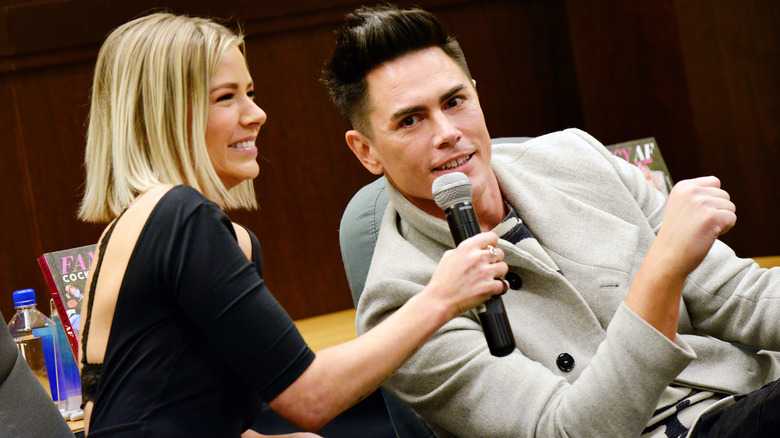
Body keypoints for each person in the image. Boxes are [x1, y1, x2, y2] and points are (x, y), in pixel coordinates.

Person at [322, 5, 780, 438]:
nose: (446, 132)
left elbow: (742, 299)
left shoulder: (576, 157)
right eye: (410, 121)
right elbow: (568, 431)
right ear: (366, 151)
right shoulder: (403, 307)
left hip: (750, 397)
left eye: (455, 101)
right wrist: (662, 270)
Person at [76, 12, 508, 438]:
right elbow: (309, 398)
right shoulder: (177, 218)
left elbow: (185, 413)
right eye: (227, 98)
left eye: (250, 92)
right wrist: (442, 296)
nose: (257, 113)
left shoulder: (186, 229)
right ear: (166, 115)